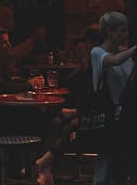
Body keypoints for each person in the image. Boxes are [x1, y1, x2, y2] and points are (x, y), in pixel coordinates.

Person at [33, 25, 102, 185]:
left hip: (98, 121)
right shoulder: (90, 66)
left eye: (83, 42)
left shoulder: (98, 67)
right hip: (88, 115)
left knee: (60, 122)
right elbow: (71, 85)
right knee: (54, 118)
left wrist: (75, 111)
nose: (80, 46)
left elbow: (96, 102)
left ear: (93, 44)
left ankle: (44, 167)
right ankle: (46, 169)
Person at [90, 10, 137, 185]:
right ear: (109, 31)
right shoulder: (97, 53)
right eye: (122, 30)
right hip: (107, 115)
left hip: (124, 116)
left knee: (119, 162)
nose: (126, 34)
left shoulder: (127, 56)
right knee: (105, 160)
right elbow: (114, 60)